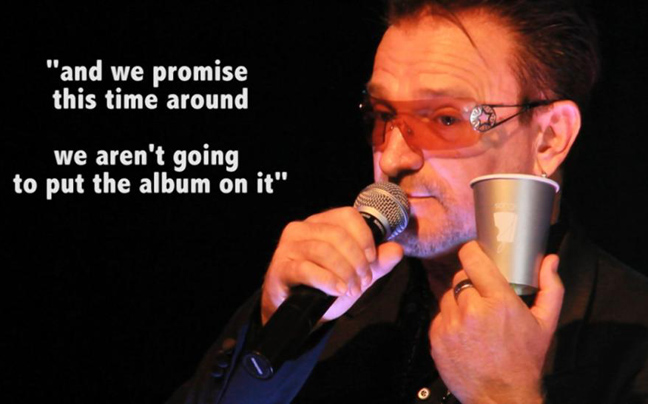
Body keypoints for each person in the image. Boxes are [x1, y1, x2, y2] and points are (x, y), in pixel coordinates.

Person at [167, 1, 648, 403]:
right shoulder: (325, 305)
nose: (393, 158)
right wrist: (278, 331)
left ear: (549, 138)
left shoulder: (634, 335)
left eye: (444, 119)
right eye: (382, 115)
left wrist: (504, 396)